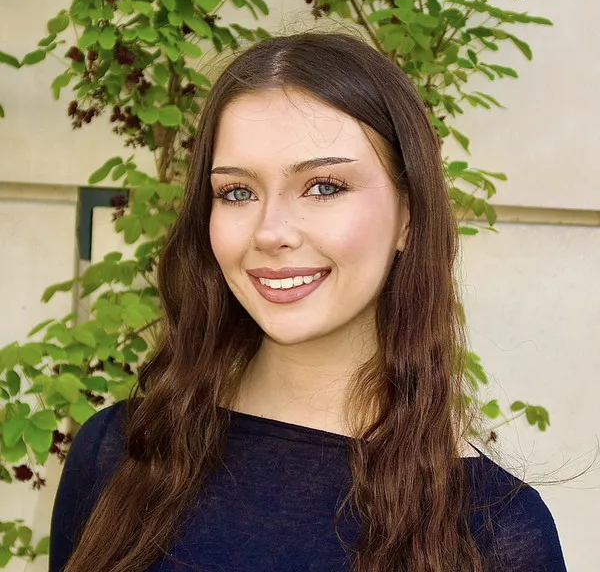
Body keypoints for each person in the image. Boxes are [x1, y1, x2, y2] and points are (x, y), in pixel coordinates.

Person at [49, 32, 567, 572]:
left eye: (324, 187)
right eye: (237, 192)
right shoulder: (117, 453)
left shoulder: (492, 531)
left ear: (409, 215)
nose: (270, 232)